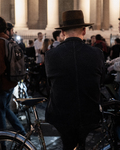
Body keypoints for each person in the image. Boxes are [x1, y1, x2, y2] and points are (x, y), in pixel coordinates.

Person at [45, 10, 104, 150]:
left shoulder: (51, 55)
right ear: (84, 30)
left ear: (63, 32)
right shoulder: (97, 53)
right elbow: (101, 80)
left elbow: (49, 84)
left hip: (61, 113)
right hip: (89, 112)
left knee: (68, 144)